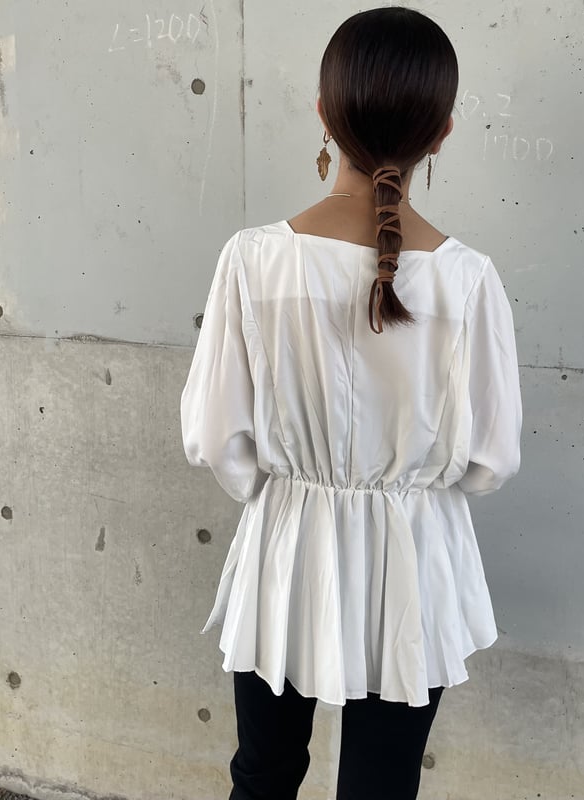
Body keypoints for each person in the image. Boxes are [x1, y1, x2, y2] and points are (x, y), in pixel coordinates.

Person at [180, 7, 522, 800]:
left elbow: (216, 438)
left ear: (324, 116)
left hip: (287, 545)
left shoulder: (253, 260)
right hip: (414, 557)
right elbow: (490, 461)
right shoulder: (469, 280)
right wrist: (405, 488)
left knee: (263, 774)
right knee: (382, 785)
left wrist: (293, 489)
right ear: (442, 133)